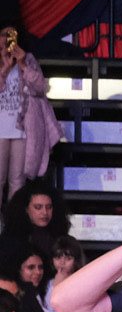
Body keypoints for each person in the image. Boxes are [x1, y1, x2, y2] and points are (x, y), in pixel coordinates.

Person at [0, 29, 59, 196]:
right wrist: (3, 71)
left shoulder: (28, 60)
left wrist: (23, 65)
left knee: (17, 180)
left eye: (9, 39)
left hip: (21, 131)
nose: (6, 45)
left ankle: (14, 221)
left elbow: (41, 88)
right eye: (3, 40)